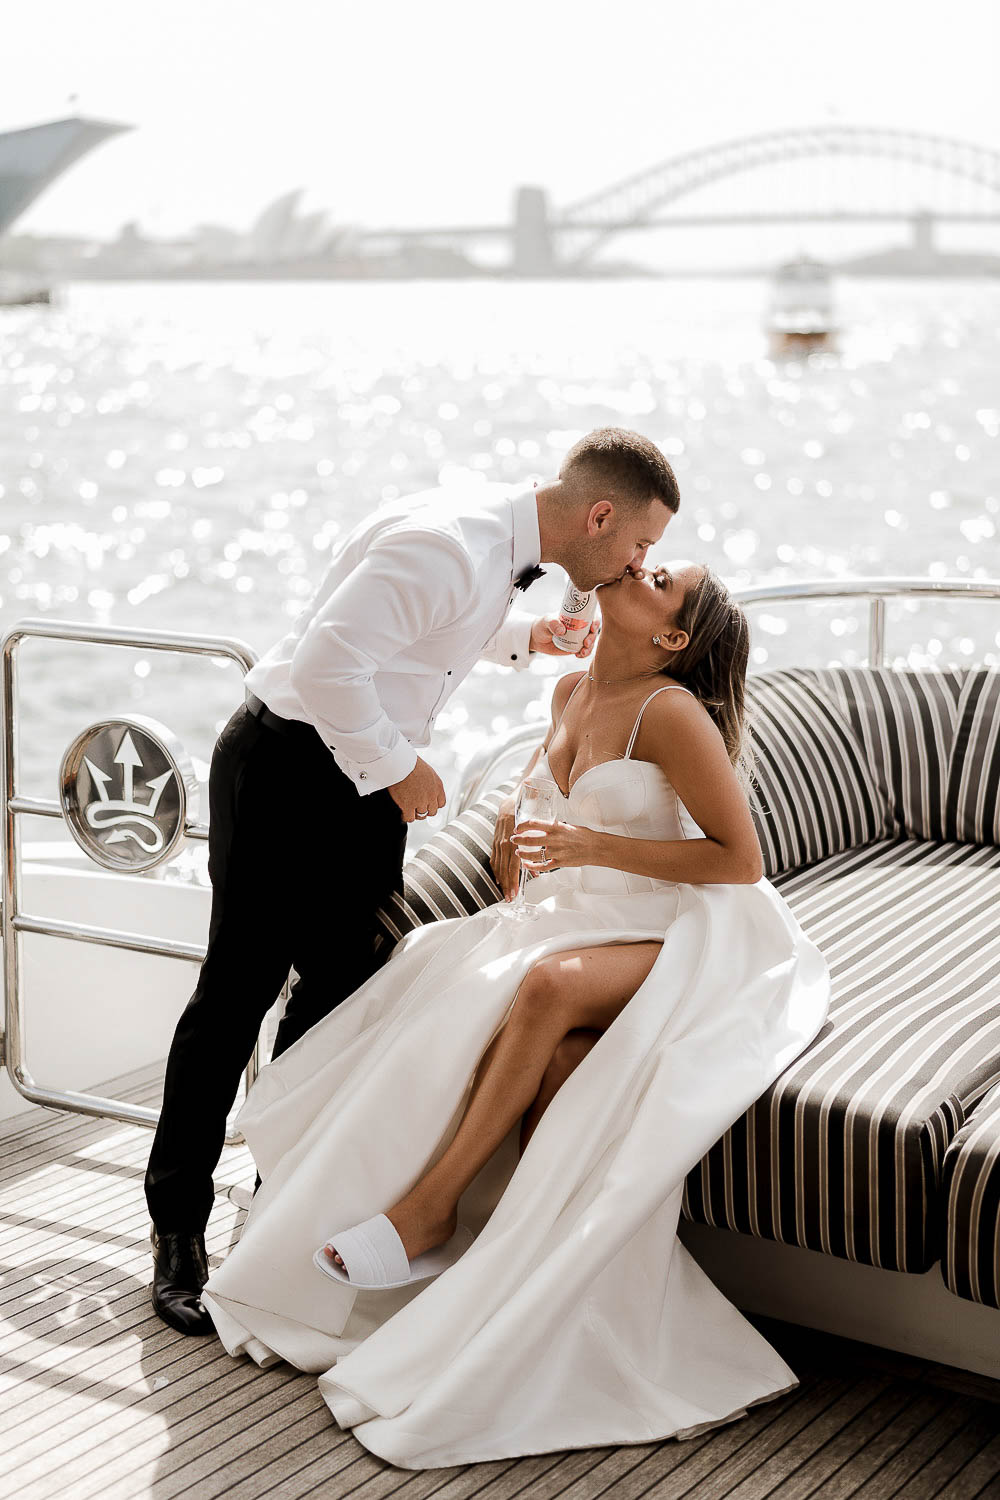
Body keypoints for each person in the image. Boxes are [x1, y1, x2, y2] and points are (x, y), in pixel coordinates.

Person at [201, 561, 830, 1468]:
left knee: (543, 989)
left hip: (692, 934)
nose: (639, 570)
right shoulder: (573, 689)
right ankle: (510, 1284)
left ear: (673, 638)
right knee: (464, 994)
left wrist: (589, 842)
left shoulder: (672, 712)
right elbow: (545, 803)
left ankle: (428, 1212)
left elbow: (740, 859)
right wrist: (514, 824)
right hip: (584, 920)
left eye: (662, 581)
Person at [145, 427, 680, 1334]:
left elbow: (418, 635)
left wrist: (522, 638)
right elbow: (325, 666)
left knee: (337, 997)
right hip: (286, 770)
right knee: (234, 997)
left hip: (358, 784)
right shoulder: (444, 544)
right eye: (640, 543)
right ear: (599, 515)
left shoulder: (490, 549)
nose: (639, 562)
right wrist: (400, 767)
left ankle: (285, 1200)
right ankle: (177, 1235)